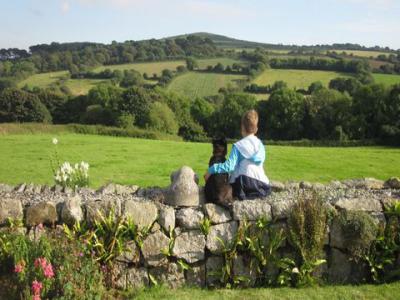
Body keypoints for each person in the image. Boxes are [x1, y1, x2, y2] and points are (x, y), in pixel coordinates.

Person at [204, 110, 270, 200]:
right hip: (262, 186)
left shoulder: (238, 146)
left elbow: (229, 166)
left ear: (242, 128)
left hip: (244, 186)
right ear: (256, 128)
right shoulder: (260, 145)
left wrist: (211, 170)